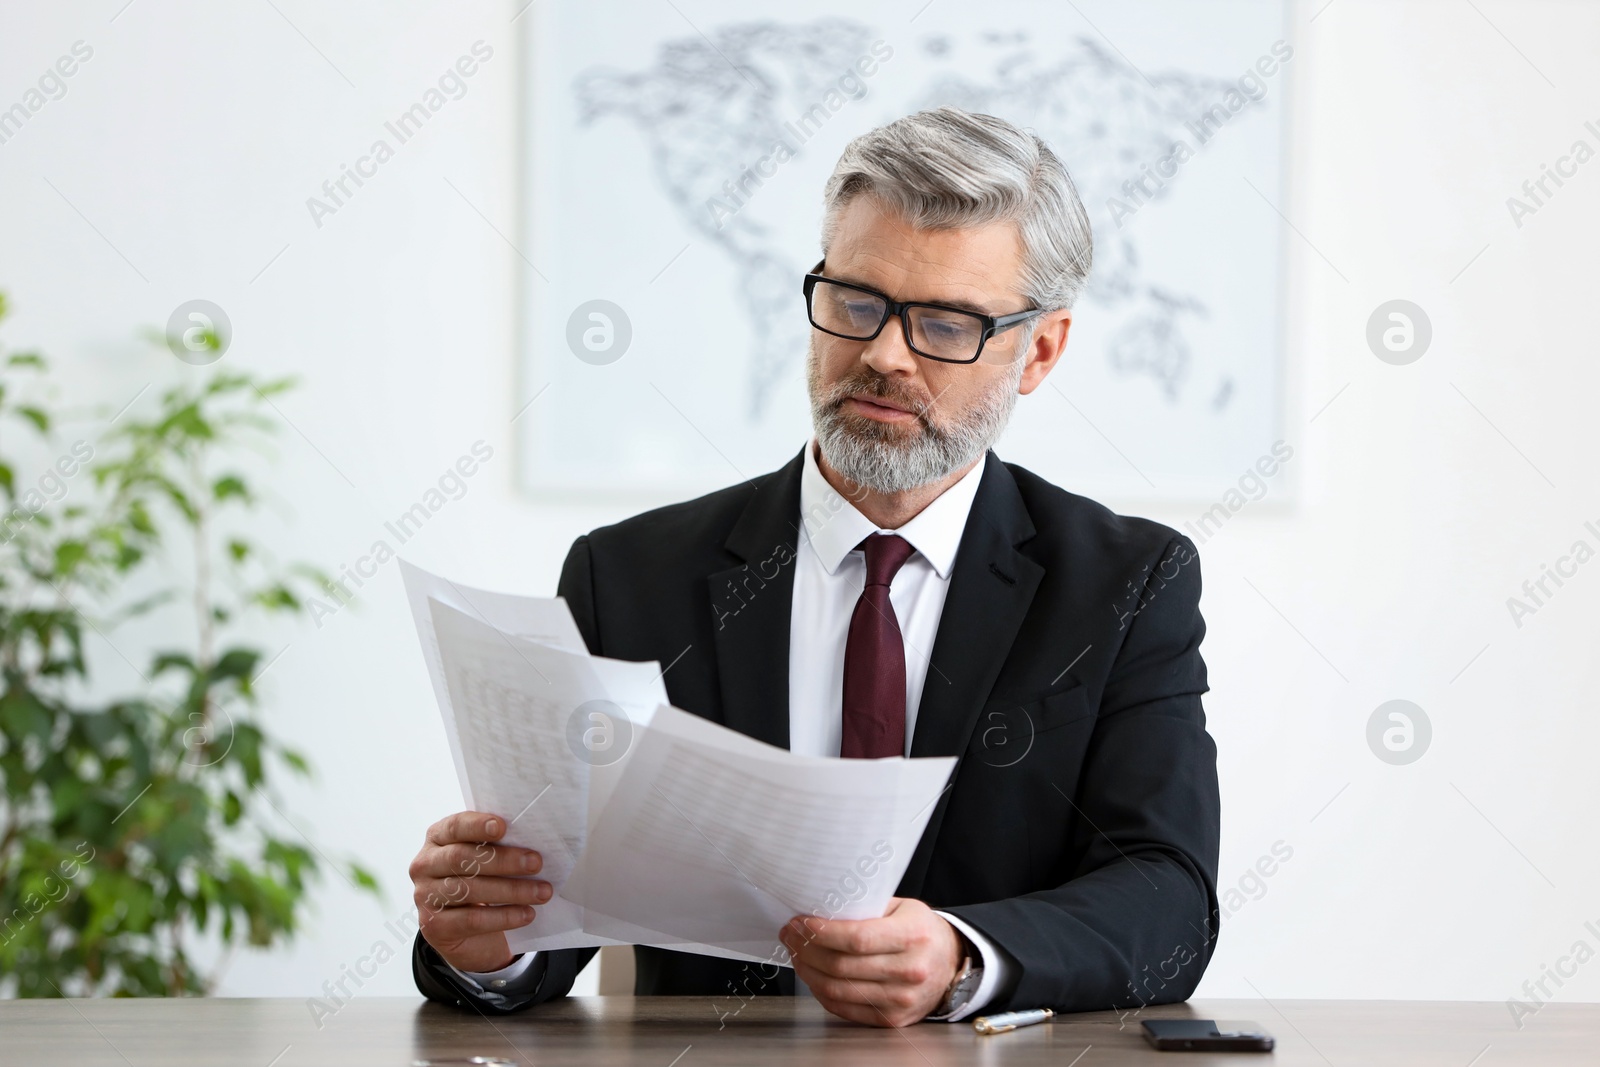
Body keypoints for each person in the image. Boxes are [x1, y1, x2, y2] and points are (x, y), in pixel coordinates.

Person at [410, 105, 1220, 1027]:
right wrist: (490, 946)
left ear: (1038, 350)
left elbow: (1171, 900)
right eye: (857, 302)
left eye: (946, 325)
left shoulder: (1126, 584)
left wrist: (963, 955)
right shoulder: (629, 577)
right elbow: (558, 914)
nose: (881, 355)